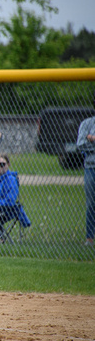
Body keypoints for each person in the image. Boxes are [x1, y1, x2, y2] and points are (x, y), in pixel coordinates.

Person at [77, 102, 95, 246]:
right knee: (91, 203)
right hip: (91, 167)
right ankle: (90, 237)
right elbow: (81, 144)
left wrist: (93, 138)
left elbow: (87, 142)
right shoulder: (87, 123)